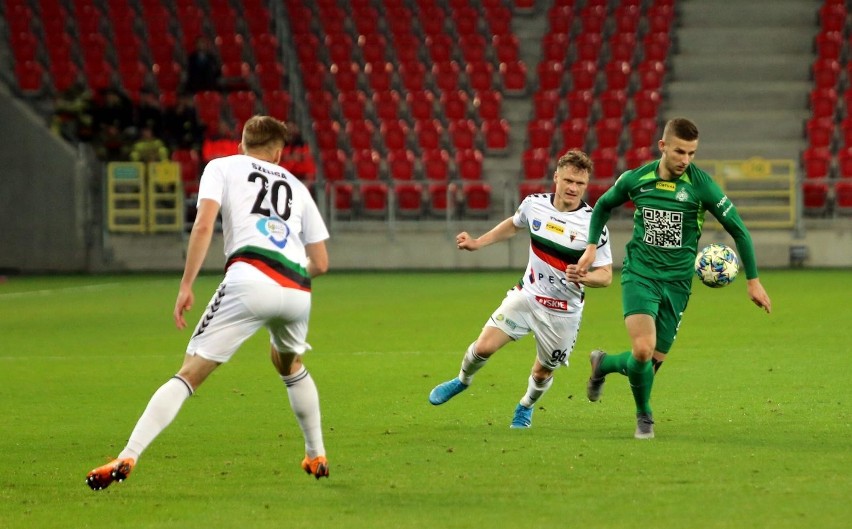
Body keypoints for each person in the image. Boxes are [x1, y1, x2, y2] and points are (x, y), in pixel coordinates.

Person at [86, 116, 332, 489]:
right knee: (289, 363)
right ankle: (316, 454)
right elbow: (323, 263)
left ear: (241, 145)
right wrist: (289, 278)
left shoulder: (222, 166)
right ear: (279, 154)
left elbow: (203, 224)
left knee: (189, 373)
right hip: (297, 287)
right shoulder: (297, 186)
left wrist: (187, 284)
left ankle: (129, 453)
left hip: (249, 276)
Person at [575, 117, 772, 440]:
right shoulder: (636, 179)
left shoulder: (701, 185)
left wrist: (753, 280)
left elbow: (739, 230)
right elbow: (603, 207)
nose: (685, 160)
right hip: (641, 274)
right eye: (680, 151)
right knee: (642, 351)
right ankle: (645, 417)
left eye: (692, 153)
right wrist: (591, 247)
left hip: (678, 283)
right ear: (663, 146)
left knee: (649, 366)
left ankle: (604, 364)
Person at [428, 150, 613, 428]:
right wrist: (478, 242)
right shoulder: (534, 204)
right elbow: (513, 226)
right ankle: (462, 380)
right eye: (568, 180)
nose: (573, 188)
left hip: (563, 311)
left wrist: (585, 277)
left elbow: (607, 276)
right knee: (483, 347)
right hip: (527, 296)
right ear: (556, 177)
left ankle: (525, 405)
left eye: (580, 183)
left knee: (541, 373)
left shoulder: (593, 224)